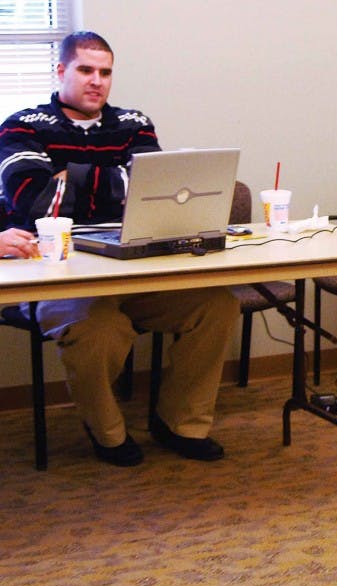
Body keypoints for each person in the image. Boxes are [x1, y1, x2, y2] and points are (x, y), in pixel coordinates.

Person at [0, 31, 238, 466]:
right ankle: (107, 431)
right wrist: (118, 183)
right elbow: (36, 199)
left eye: (105, 72)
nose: (97, 81)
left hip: (133, 270)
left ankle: (180, 423)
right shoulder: (22, 125)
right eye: (85, 70)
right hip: (58, 277)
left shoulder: (134, 124)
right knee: (100, 328)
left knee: (217, 306)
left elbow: (159, 191)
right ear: (61, 71)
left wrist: (71, 177)